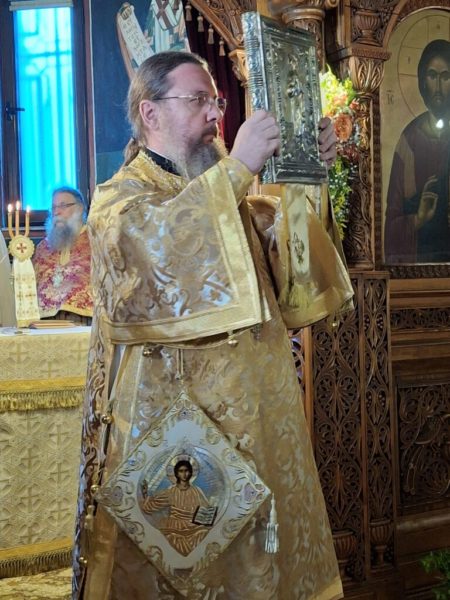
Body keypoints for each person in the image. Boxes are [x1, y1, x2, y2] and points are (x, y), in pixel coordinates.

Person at [73, 51, 353, 599]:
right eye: (198, 99)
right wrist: (239, 168)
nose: (215, 114)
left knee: (256, 567)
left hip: (256, 423)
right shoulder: (118, 201)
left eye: (216, 101)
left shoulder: (232, 197)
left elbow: (298, 290)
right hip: (175, 430)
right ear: (150, 112)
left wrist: (303, 178)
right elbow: (158, 248)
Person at [384, 39, 450, 263]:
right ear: (422, 81)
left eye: (445, 77)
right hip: (420, 262)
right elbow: (391, 225)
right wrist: (419, 217)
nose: (438, 87)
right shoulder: (409, 140)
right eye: (432, 76)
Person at [33, 186, 93, 322]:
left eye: (63, 206)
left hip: (85, 319)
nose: (56, 212)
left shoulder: (95, 241)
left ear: (80, 208)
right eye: (53, 207)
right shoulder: (43, 247)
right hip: (44, 322)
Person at [141, 459, 210, 557]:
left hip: (194, 526)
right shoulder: (171, 491)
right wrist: (145, 495)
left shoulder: (196, 490)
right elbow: (152, 506)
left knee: (204, 533)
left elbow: (207, 510)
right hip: (175, 527)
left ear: (190, 472)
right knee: (173, 538)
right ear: (176, 474)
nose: (184, 474)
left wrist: (205, 519)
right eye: (181, 471)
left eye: (186, 471)